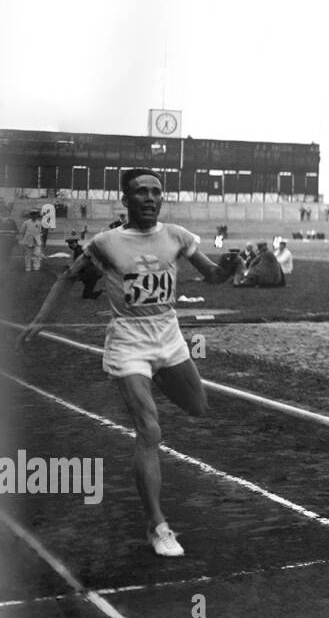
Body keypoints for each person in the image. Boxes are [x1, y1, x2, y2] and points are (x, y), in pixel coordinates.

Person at [18, 168, 241, 557]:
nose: (150, 198)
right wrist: (41, 320)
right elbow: (68, 278)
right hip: (129, 340)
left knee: (198, 406)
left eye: (156, 191)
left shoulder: (177, 236)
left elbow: (213, 276)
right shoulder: (106, 243)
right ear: (125, 200)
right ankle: (158, 525)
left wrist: (230, 266)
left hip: (168, 336)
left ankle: (151, 382)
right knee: (150, 431)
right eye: (141, 192)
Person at [0, 205, 17, 270]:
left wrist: (13, 232)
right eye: (4, 211)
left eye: (7, 212)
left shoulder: (12, 221)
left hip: (9, 238)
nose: (6, 213)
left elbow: (16, 230)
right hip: (1, 238)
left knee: (9, 250)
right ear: (1, 212)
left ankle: (7, 262)